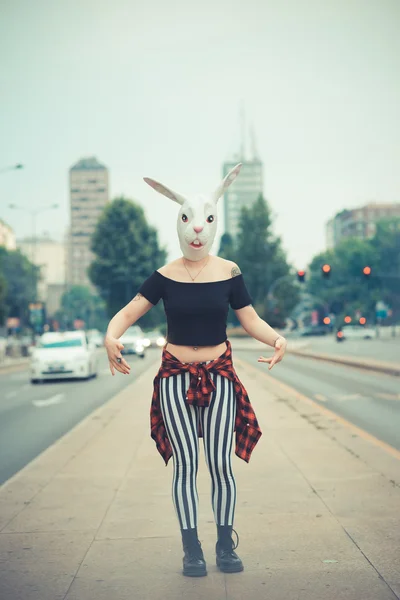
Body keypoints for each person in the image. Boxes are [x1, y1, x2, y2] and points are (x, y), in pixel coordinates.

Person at [104, 163, 287, 577]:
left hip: (220, 376)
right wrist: (110, 336)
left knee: (220, 463)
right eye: (189, 220)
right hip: (173, 380)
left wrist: (276, 339)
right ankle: (192, 549)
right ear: (179, 222)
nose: (198, 230)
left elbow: (250, 319)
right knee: (186, 464)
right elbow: (129, 312)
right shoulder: (164, 275)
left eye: (206, 220)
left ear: (214, 222)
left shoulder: (230, 271)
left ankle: (225, 545)